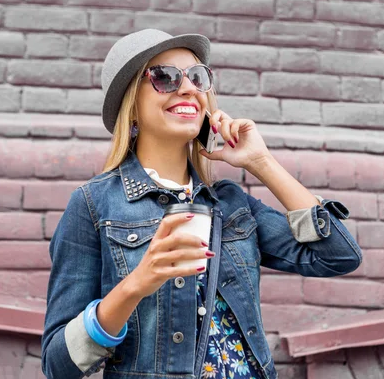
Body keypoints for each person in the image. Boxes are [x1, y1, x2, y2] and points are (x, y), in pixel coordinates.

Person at [41, 29, 363, 379]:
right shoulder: (94, 204)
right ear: (130, 105)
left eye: (197, 77)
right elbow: (59, 365)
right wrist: (136, 284)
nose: (188, 88)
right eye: (164, 77)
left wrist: (261, 162)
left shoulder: (231, 203)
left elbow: (338, 255)